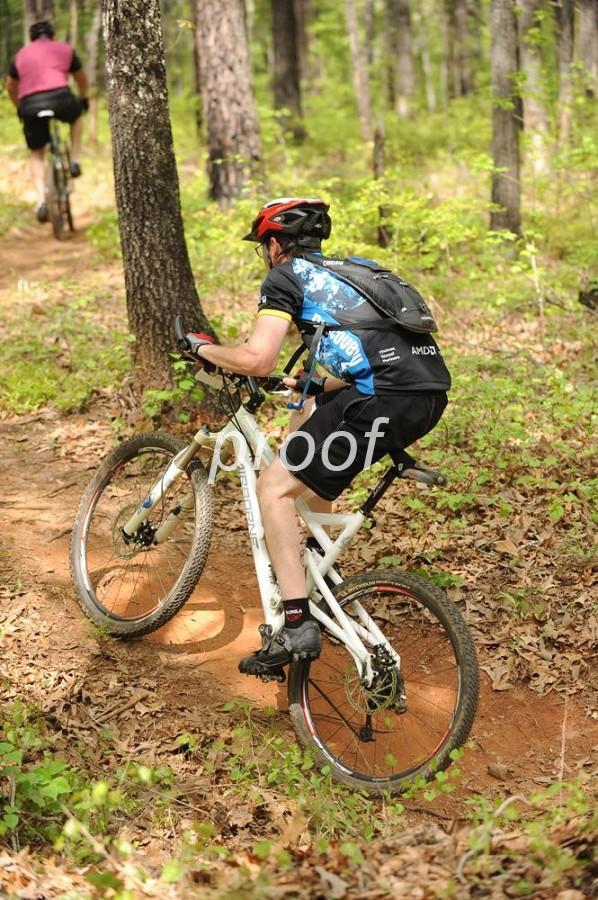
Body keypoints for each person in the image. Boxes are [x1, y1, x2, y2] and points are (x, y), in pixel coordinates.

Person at [186, 198, 451, 677]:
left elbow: (259, 359)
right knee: (313, 422)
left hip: (382, 400)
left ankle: (295, 622)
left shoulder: (285, 277)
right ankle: (320, 575)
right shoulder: (354, 271)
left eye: (263, 248)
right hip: (428, 394)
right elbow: (379, 349)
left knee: (273, 487)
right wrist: (318, 383)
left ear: (273, 245)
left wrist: (208, 350)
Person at [5, 20, 89, 223]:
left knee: (36, 152)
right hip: (61, 98)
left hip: (30, 104)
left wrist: (19, 107)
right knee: (76, 117)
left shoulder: (21, 55)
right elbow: (81, 78)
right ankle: (75, 160)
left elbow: (10, 85)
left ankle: (41, 200)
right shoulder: (65, 49)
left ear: (32, 38)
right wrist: (84, 98)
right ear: (52, 36)